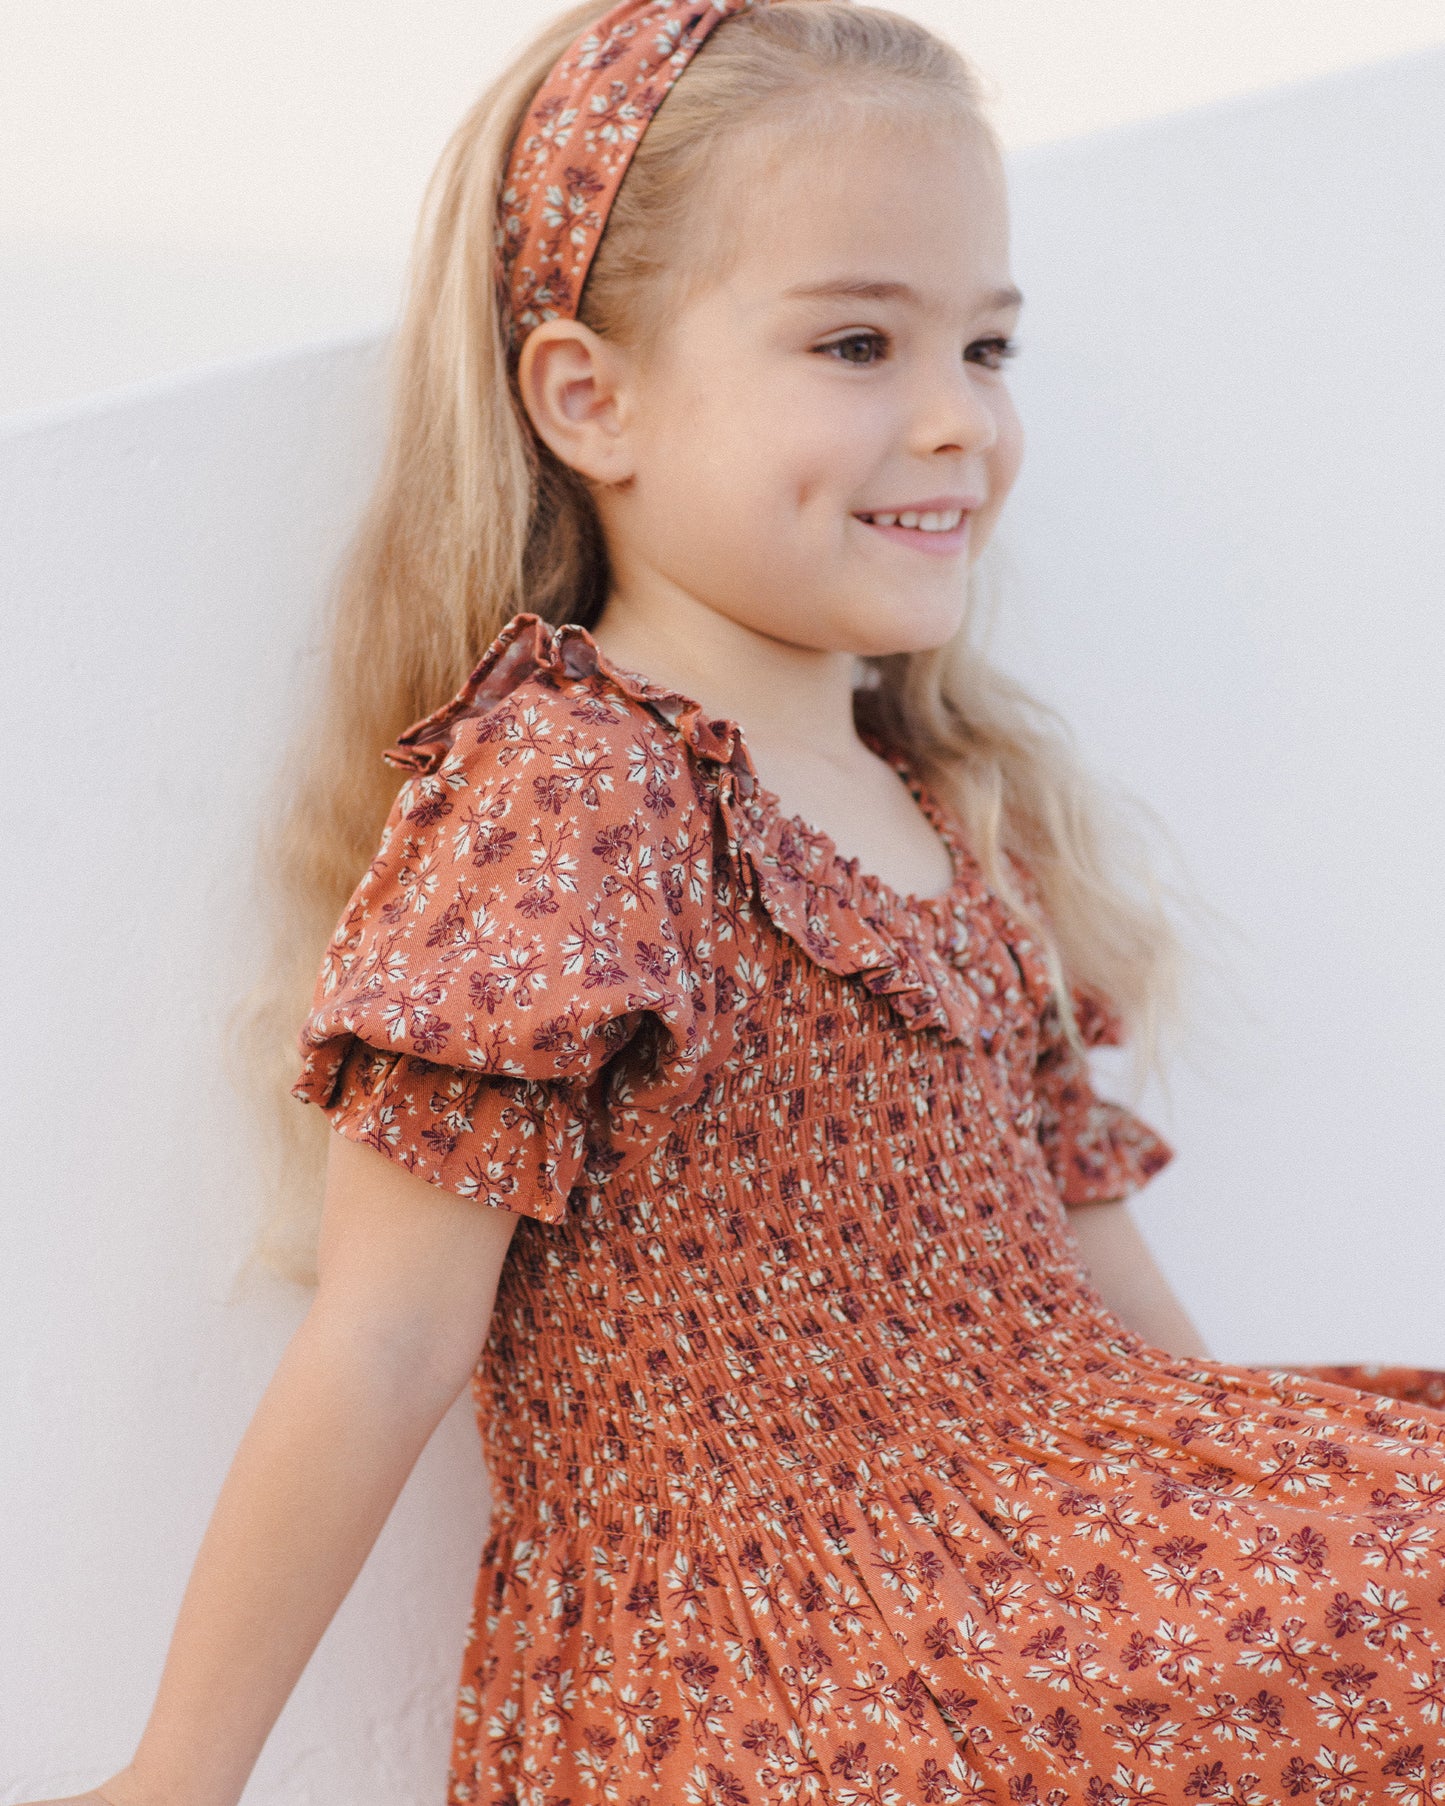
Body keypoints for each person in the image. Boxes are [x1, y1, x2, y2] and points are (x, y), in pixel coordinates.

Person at [34, 0, 1445, 1801]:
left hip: (1036, 1566)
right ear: (589, 397)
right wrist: (177, 1772)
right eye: (856, 343)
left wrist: (1256, 1521)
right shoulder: (581, 788)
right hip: (784, 1649)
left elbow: (1104, 1291)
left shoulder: (944, 804)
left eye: (987, 346)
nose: (956, 419)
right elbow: (385, 1335)